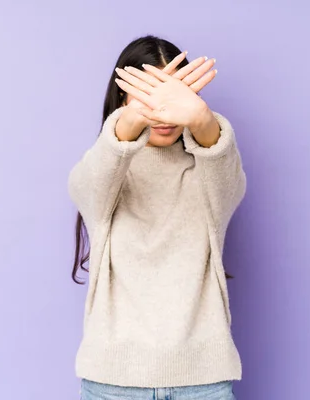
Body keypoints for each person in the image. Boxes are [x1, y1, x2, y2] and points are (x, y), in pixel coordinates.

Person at [68, 35, 246, 400]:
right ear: (122, 99)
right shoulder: (108, 168)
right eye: (149, 94)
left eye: (174, 95)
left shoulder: (207, 171)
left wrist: (200, 117)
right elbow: (85, 187)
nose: (163, 111)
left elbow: (229, 181)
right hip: (112, 382)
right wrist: (132, 117)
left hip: (202, 382)